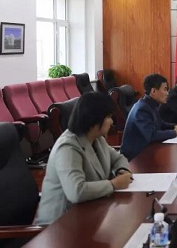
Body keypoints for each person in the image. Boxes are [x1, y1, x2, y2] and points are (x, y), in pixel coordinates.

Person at [36, 92, 133, 224]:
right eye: (108, 117)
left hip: (88, 212)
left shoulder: (96, 138)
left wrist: (122, 171)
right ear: (94, 119)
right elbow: (76, 191)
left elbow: (118, 158)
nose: (112, 122)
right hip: (59, 224)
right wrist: (114, 184)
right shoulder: (67, 147)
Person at [121, 74, 177, 161]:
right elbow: (151, 135)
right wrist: (175, 132)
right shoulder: (142, 109)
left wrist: (175, 126)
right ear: (153, 91)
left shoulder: (150, 104)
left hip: (147, 150)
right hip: (135, 158)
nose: (167, 93)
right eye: (165, 89)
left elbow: (160, 123)